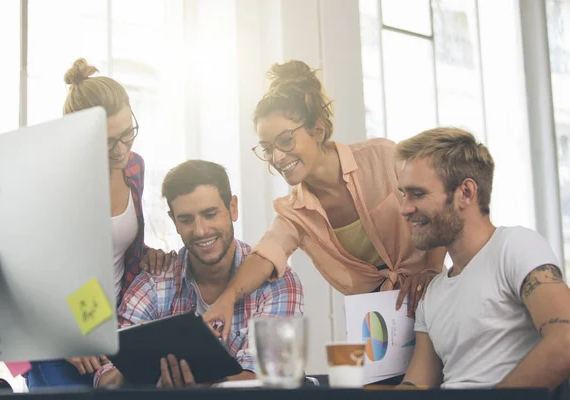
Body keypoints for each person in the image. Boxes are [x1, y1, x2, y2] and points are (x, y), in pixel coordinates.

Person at [185, 60, 447, 339]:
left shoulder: (382, 158)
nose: (277, 157)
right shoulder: (294, 213)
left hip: (431, 298)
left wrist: (431, 270)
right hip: (376, 324)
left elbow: (437, 206)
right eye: (267, 148)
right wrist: (226, 300)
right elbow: (265, 255)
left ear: (318, 131)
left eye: (285, 141)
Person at [95, 160, 304, 388]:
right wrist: (140, 373)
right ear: (174, 221)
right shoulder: (154, 282)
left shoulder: (278, 283)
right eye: (186, 220)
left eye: (210, 214)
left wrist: (196, 387)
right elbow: (105, 378)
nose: (201, 230)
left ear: (233, 208)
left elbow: (267, 379)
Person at [26, 58, 169, 390]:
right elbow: (30, 271)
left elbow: (114, 245)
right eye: (108, 141)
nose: (121, 150)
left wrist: (149, 255)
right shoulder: (52, 181)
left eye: (127, 133)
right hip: (61, 341)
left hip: (114, 337)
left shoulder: (134, 167)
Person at [396, 127, 570, 389]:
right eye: (403, 194)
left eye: (418, 194)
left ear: (466, 192)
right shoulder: (432, 295)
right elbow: (416, 385)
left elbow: (565, 339)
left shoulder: (515, 247)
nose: (404, 209)